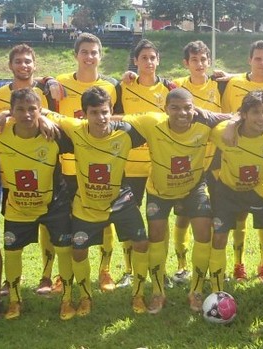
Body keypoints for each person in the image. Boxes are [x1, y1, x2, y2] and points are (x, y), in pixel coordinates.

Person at [45, 87, 150, 316]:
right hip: (87, 206)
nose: (100, 118)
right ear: (84, 114)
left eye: (105, 112)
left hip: (120, 200)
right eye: (94, 113)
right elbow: (47, 113)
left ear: (111, 111)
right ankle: (85, 298)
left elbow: (156, 121)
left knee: (142, 243)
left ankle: (139, 295)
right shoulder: (75, 129)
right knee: (79, 252)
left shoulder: (126, 133)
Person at [122, 88, 228, 314]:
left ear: (195, 108)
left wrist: (215, 116)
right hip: (159, 191)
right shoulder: (152, 122)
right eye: (175, 108)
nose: (182, 113)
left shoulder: (205, 126)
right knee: (157, 237)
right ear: (165, 109)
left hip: (193, 188)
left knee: (203, 233)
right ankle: (158, 293)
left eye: (187, 107)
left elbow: (235, 119)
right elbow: (116, 119)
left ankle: (196, 292)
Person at [0, 88, 74, 320]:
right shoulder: (0, 134)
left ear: (40, 110)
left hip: (54, 204)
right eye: (20, 109)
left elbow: (83, 131)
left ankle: (68, 299)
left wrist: (50, 118)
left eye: (32, 109)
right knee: (12, 251)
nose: (27, 114)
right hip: (18, 206)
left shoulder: (54, 135)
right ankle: (15, 300)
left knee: (64, 249)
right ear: (11, 112)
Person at [208, 90, 263, 307]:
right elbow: (201, 118)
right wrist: (232, 123)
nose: (261, 118)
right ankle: (217, 293)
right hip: (227, 191)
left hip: (260, 190)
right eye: (255, 112)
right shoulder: (222, 132)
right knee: (219, 238)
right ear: (243, 113)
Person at [221, 40, 263, 283]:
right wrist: (232, 123)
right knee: (238, 214)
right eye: (258, 58)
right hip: (236, 150)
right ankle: (238, 265)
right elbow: (225, 113)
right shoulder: (233, 83)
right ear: (249, 60)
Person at [0, 44, 59, 296]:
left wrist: (43, 115)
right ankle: (9, 282)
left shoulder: (47, 90)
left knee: (47, 222)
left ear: (35, 64)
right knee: (13, 222)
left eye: (27, 61)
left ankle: (46, 275)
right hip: (9, 169)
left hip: (44, 162)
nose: (23, 65)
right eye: (18, 61)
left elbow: (58, 120)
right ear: (10, 65)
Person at [56, 33, 119, 292]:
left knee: (106, 218)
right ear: (75, 55)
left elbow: (119, 120)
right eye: (84, 52)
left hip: (102, 166)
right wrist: (47, 80)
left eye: (94, 52)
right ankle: (64, 274)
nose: (89, 57)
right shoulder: (59, 83)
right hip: (68, 167)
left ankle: (105, 271)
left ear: (100, 55)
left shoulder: (112, 86)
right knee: (66, 221)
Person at [112, 39, 177, 289]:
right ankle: (129, 271)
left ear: (158, 60)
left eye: (152, 57)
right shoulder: (123, 87)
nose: (148, 62)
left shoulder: (170, 87)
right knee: (129, 219)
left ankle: (161, 269)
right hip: (129, 166)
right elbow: (111, 117)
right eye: (143, 58)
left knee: (160, 221)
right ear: (135, 62)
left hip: (159, 166)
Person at [170, 40, 224, 286]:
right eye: (194, 60)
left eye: (203, 59)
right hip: (186, 162)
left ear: (209, 61)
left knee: (212, 215)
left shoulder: (221, 85)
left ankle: (216, 263)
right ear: (186, 63)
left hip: (216, 161)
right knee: (183, 217)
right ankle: (182, 266)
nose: (200, 64)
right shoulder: (176, 87)